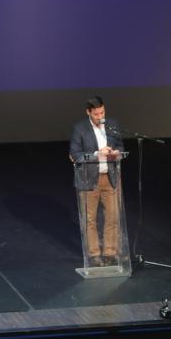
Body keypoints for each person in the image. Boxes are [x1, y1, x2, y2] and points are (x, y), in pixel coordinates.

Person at [69, 96, 125, 267]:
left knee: (113, 217)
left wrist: (116, 152)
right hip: (89, 180)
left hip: (110, 178)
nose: (100, 117)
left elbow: (121, 146)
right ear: (88, 112)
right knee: (90, 219)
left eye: (102, 112)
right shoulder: (80, 128)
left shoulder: (112, 125)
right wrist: (96, 154)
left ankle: (109, 253)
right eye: (96, 114)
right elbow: (75, 155)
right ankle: (93, 254)